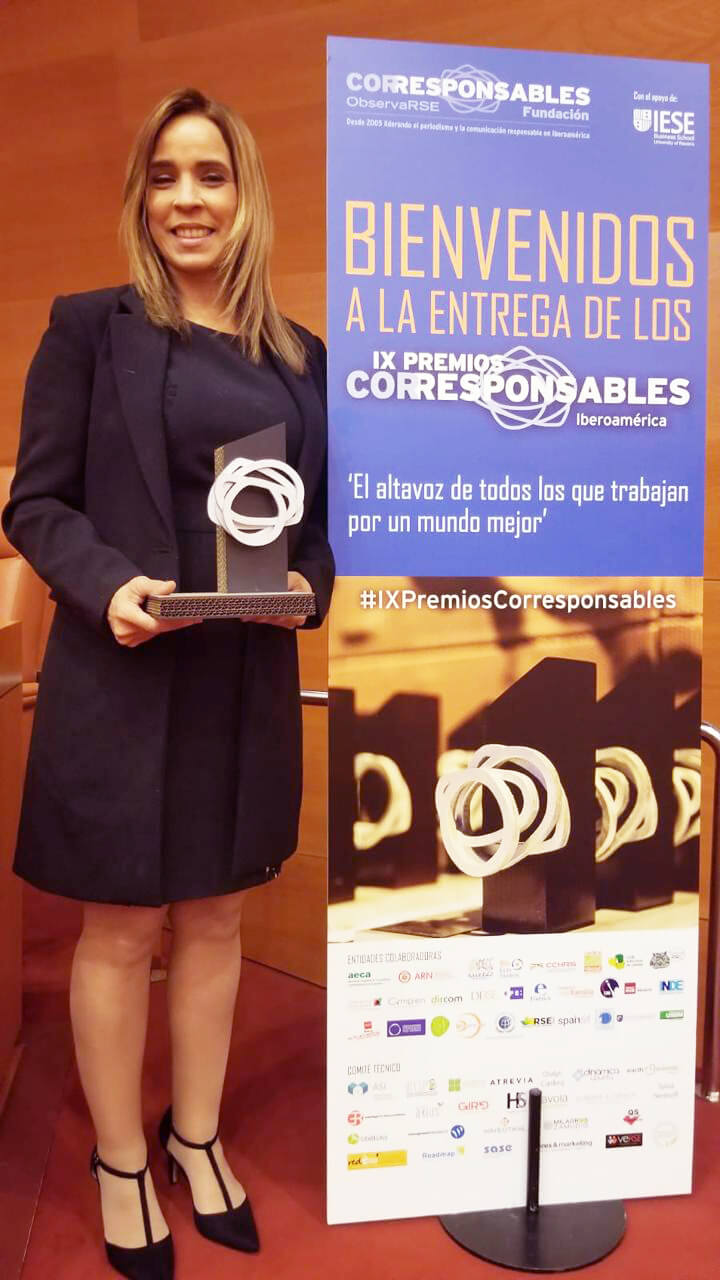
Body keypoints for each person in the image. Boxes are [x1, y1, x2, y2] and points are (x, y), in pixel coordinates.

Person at [2, 87, 334, 1279]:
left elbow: (319, 534)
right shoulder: (89, 328)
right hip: (123, 670)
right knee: (121, 923)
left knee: (218, 914)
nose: (187, 199)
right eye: (164, 175)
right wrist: (107, 585)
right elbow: (35, 502)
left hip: (242, 678)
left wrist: (305, 588)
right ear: (142, 194)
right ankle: (119, 1158)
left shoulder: (301, 358)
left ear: (247, 195)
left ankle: (194, 1137)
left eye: (211, 175)